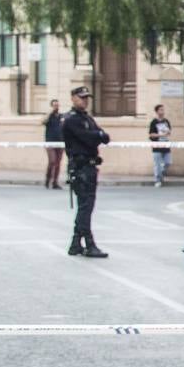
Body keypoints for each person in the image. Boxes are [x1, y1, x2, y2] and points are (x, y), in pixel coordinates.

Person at [62, 86, 111, 258]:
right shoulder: (71, 119)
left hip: (89, 167)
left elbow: (105, 137)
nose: (85, 100)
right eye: (82, 97)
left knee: (85, 207)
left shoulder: (86, 118)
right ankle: (89, 244)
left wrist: (97, 135)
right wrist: (96, 135)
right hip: (80, 168)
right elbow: (89, 138)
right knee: (85, 207)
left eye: (86, 98)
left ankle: (75, 243)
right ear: (73, 98)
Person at [148, 104, 173, 188]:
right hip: (157, 145)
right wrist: (160, 135)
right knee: (157, 164)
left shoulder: (166, 121)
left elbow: (169, 132)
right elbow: (151, 135)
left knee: (168, 162)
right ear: (157, 111)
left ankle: (161, 173)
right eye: (161, 110)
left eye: (163, 110)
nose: (162, 111)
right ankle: (158, 180)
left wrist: (167, 133)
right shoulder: (153, 122)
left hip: (166, 144)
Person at [44, 100, 66, 189]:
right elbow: (42, 121)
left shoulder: (61, 116)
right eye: (54, 106)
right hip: (50, 142)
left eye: (57, 105)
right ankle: (47, 179)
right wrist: (50, 112)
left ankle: (55, 182)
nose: (56, 107)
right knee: (52, 161)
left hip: (60, 142)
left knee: (57, 163)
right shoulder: (49, 117)